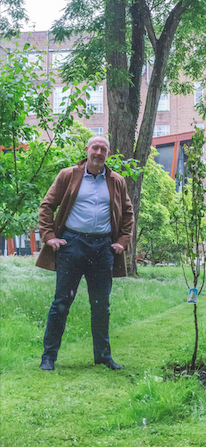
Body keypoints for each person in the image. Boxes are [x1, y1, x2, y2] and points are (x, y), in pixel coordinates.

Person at [36, 135, 134, 371]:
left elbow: (128, 214)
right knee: (61, 303)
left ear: (108, 154)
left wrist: (122, 240)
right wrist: (49, 237)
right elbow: (47, 206)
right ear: (87, 150)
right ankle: (48, 357)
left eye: (104, 149)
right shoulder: (68, 175)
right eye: (95, 148)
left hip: (103, 249)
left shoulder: (116, 181)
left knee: (101, 305)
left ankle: (102, 356)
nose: (99, 152)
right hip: (72, 245)